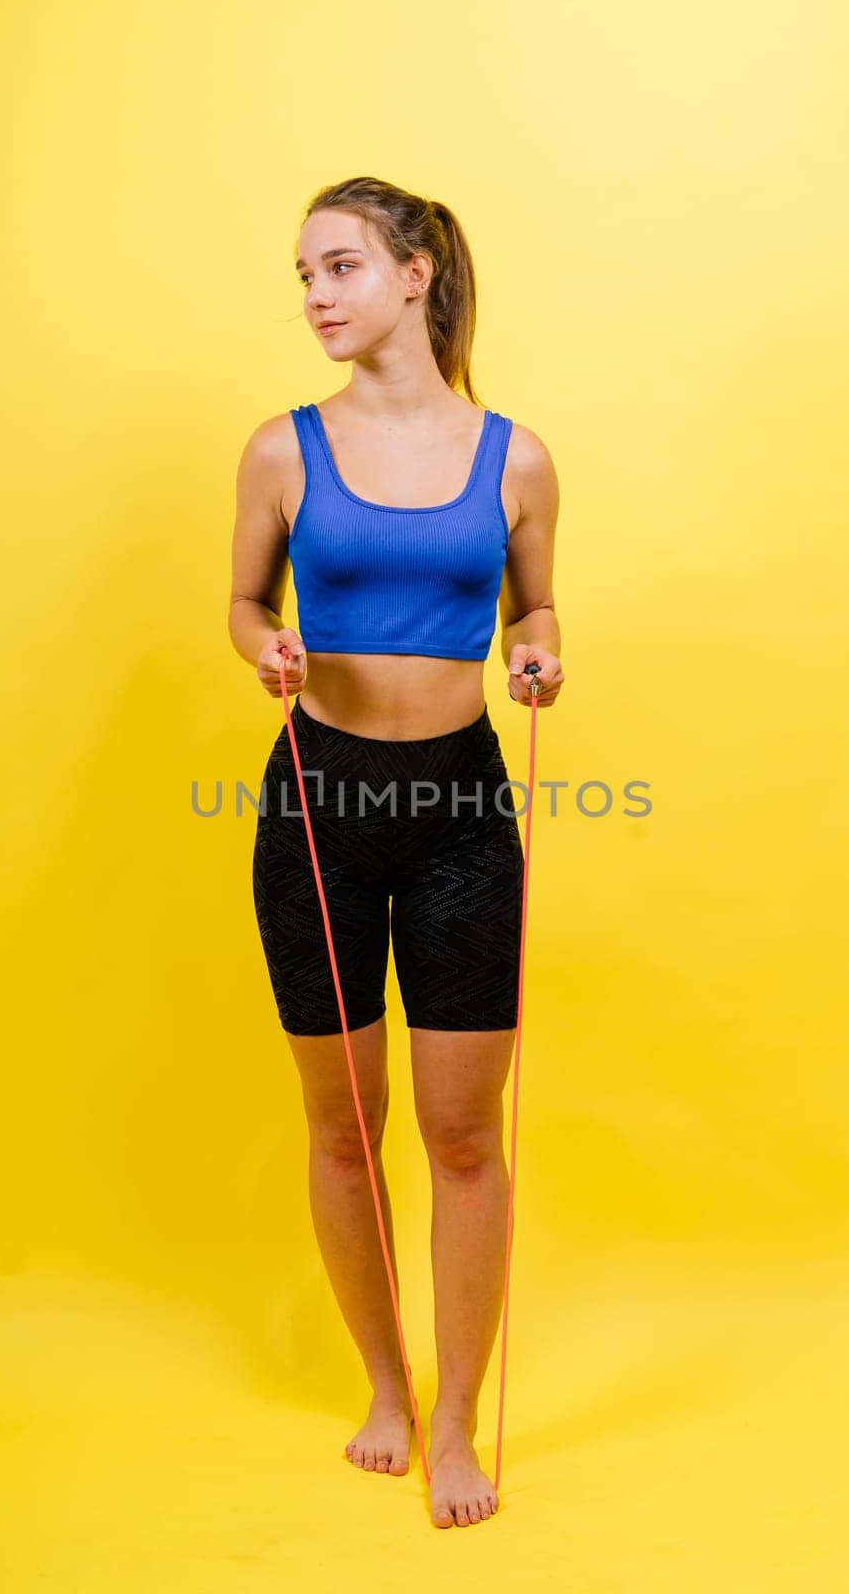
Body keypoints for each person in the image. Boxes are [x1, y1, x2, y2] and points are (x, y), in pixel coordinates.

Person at [228, 176, 564, 1530]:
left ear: (415, 274)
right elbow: (244, 597)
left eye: (339, 266)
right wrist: (260, 643)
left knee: (461, 1131)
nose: (313, 293)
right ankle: (382, 1382)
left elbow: (533, 604)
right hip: (315, 796)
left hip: (463, 812)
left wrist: (539, 649)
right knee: (345, 1125)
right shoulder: (278, 449)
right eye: (301, 272)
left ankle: (454, 1421)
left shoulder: (517, 456)